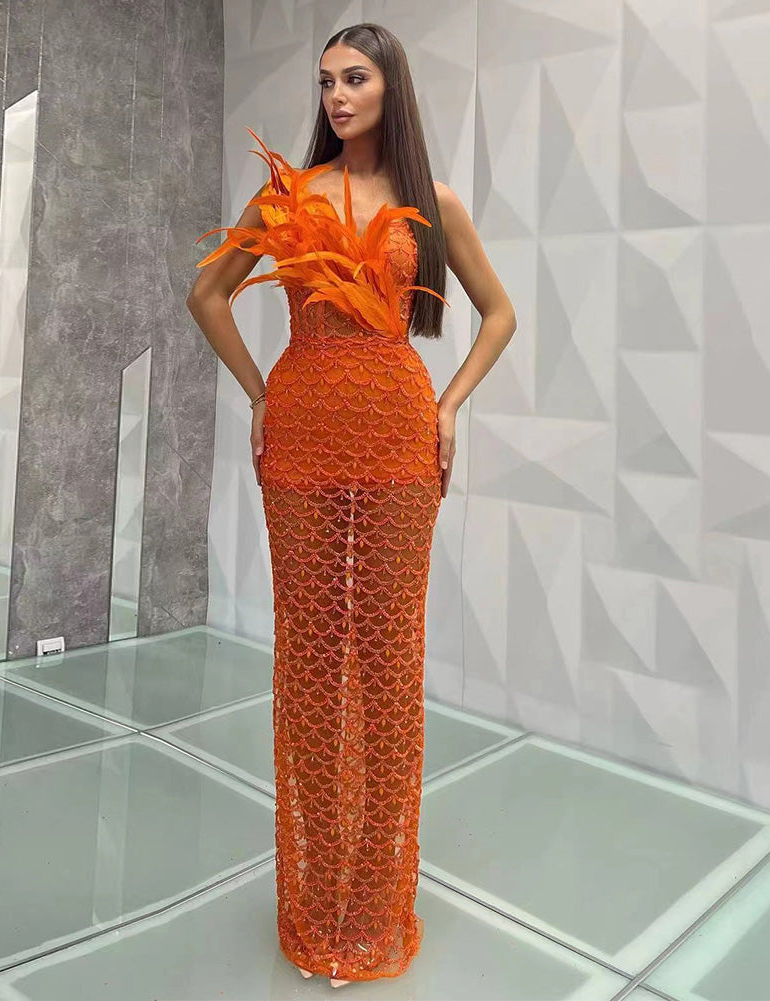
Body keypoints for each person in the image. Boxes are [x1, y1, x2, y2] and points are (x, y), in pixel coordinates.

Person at [186, 22, 516, 989]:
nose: (335, 95)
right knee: (310, 662)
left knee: (387, 664)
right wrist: (260, 392)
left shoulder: (430, 203)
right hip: (299, 436)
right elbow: (208, 295)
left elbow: (499, 314)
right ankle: (316, 892)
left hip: (399, 439)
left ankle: (371, 904)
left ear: (388, 88)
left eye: (355, 78)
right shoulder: (287, 196)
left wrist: (448, 407)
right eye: (326, 80)